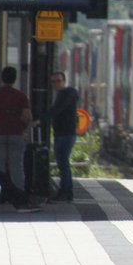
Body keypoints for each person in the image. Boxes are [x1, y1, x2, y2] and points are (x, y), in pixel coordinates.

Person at [0, 66, 40, 212]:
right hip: (15, 134)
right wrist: (25, 127)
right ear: (15, 78)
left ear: (1, 78)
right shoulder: (20, 96)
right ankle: (19, 198)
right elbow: (27, 116)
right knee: (17, 168)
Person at [46, 71, 79, 203]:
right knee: (62, 164)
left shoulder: (68, 94)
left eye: (58, 81)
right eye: (53, 81)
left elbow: (57, 110)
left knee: (63, 164)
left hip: (66, 134)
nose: (56, 84)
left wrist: (41, 119)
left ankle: (66, 192)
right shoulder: (61, 95)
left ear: (64, 81)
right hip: (61, 134)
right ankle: (65, 191)